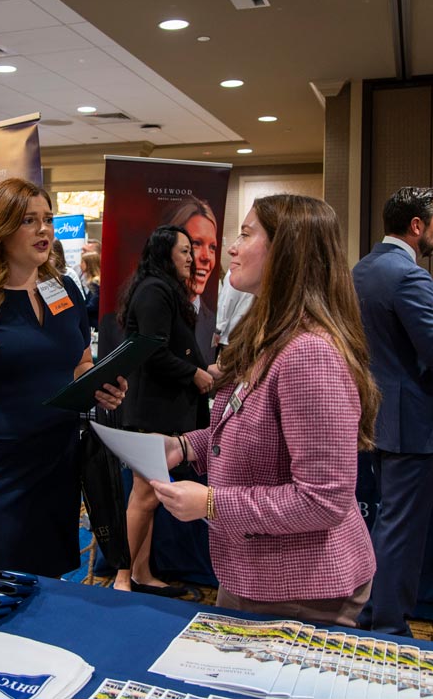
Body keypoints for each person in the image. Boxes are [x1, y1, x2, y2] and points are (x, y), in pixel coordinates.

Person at [151, 194, 378, 626]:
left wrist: (213, 503)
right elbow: (251, 427)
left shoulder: (309, 353)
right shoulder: (273, 334)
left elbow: (322, 499)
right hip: (261, 574)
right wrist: (185, 446)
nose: (231, 249)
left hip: (302, 587)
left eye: (246, 234)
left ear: (286, 252)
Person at [0, 178, 127, 576]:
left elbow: (77, 366)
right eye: (28, 221)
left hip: (57, 467)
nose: (44, 230)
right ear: (0, 231)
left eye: (47, 219)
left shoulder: (63, 289)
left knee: (46, 589)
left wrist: (99, 385)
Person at [351, 186, 433, 635]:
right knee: (400, 530)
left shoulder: (361, 269)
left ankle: (373, 612)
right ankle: (387, 625)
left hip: (376, 418)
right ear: (416, 226)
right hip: (410, 423)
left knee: (387, 523)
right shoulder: (409, 276)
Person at [113, 224, 212, 595]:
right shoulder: (155, 290)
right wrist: (195, 375)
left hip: (162, 411)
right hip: (152, 411)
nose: (192, 257)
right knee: (144, 494)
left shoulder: (165, 290)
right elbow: (152, 352)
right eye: (185, 250)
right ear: (164, 253)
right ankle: (123, 578)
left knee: (149, 493)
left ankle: (140, 573)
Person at [163, 197, 220, 363]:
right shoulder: (118, 322)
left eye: (212, 247)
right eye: (196, 244)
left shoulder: (212, 323)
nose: (207, 257)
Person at [214, 268, 253, 358]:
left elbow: (227, 302)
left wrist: (218, 329)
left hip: (228, 335)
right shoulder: (254, 272)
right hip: (243, 333)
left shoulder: (235, 272)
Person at [81, 251, 101, 330]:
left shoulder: (95, 282)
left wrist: (78, 309)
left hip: (94, 324)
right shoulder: (86, 280)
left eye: (82, 262)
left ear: (89, 264)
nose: (80, 264)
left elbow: (93, 306)